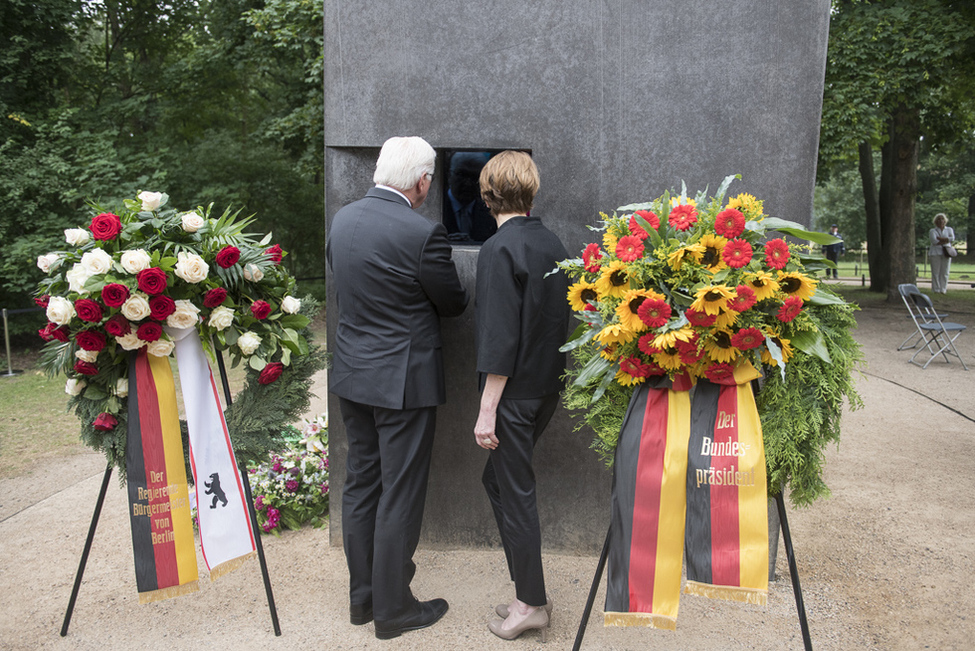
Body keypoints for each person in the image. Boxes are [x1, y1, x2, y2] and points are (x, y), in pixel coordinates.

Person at [326, 136, 470, 640]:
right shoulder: (423, 232)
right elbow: (452, 302)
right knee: (400, 492)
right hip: (404, 380)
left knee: (361, 484)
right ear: (422, 181)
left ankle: (363, 599)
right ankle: (394, 610)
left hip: (352, 373)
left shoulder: (342, 220)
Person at [472, 151, 569, 642]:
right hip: (544, 392)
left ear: (488, 193)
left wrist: (487, 409)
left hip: (511, 398)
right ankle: (526, 591)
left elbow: (499, 338)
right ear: (531, 190)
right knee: (500, 483)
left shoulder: (498, 249)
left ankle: (531, 602)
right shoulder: (551, 243)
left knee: (514, 493)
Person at [929, 213, 955, 294]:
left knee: (945, 272)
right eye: (938, 219)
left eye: (942, 219)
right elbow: (934, 241)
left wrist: (941, 239)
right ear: (936, 221)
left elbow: (952, 238)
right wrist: (945, 240)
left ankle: (943, 289)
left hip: (946, 252)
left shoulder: (949, 229)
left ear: (945, 220)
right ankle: (936, 289)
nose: (940, 221)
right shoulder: (932, 231)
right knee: (936, 272)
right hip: (935, 253)